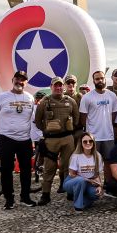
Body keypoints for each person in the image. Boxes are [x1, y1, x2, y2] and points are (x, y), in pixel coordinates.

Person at [0, 71, 35, 209]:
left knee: (26, 170)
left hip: (25, 139)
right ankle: (9, 199)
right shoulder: (1, 97)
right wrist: (1, 131)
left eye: (23, 80)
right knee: (6, 170)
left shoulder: (30, 98)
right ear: (12, 79)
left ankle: (25, 197)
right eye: (17, 79)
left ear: (26, 83)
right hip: (6, 139)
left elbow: (31, 117)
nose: (20, 82)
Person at [34, 76, 80, 205]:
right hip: (51, 140)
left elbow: (76, 119)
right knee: (49, 167)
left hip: (67, 139)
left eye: (60, 85)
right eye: (56, 85)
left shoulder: (71, 101)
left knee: (68, 166)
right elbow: (38, 121)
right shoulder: (44, 102)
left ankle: (69, 191)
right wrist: (48, 130)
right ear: (51, 87)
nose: (58, 88)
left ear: (64, 86)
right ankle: (45, 194)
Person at [79, 70, 117, 182]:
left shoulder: (112, 95)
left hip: (108, 135)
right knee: (92, 162)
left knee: (108, 161)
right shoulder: (87, 97)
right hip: (93, 136)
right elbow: (83, 117)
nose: (100, 80)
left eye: (102, 78)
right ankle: (95, 184)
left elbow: (114, 114)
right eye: (97, 79)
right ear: (94, 81)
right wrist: (90, 130)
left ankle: (108, 185)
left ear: (105, 79)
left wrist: (106, 124)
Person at [64, 132, 103, 212]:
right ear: (81, 143)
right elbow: (72, 174)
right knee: (81, 181)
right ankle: (78, 206)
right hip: (72, 181)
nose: (88, 143)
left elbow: (97, 174)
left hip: (89, 182)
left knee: (96, 194)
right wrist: (88, 180)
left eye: (90, 141)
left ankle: (84, 199)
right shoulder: (76, 156)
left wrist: (99, 186)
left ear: (93, 142)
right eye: (85, 141)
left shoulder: (97, 156)